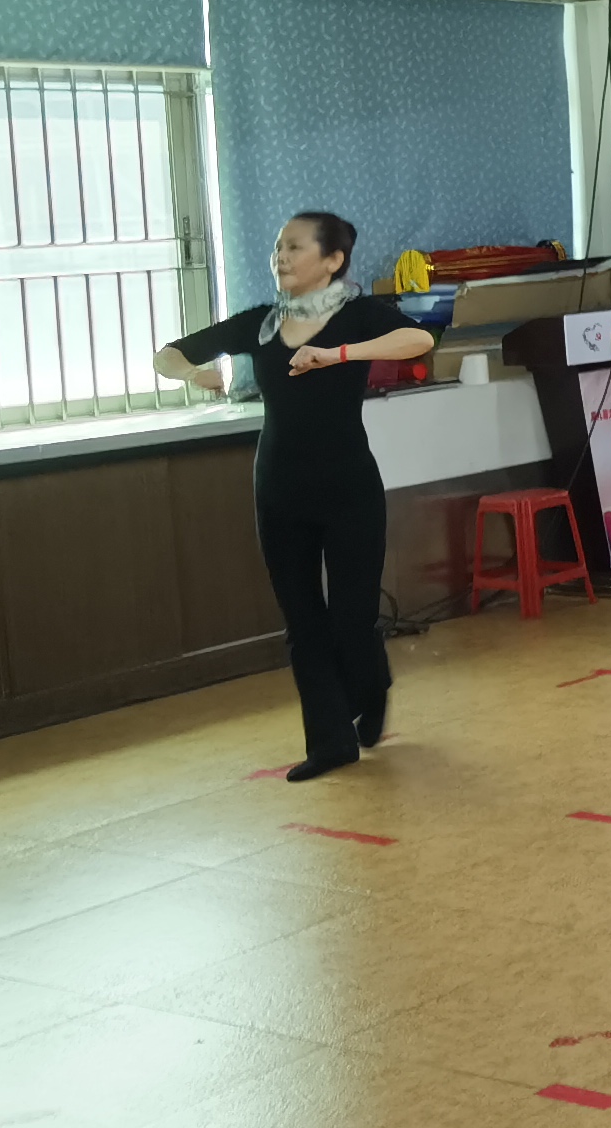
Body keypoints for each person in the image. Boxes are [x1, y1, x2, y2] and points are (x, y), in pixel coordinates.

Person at [155, 211, 437, 780]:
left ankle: (372, 686)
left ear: (332, 261)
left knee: (352, 618)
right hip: (279, 490)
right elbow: (169, 355)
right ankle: (330, 742)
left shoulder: (357, 314)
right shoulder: (261, 323)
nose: (280, 257)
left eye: (295, 247)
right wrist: (201, 378)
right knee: (303, 621)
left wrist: (336, 354)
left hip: (349, 488)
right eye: (278, 247)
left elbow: (420, 339)